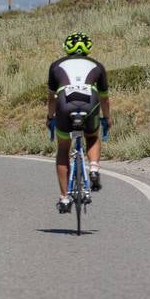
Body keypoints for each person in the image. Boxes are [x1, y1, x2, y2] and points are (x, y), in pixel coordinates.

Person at [48, 32, 112, 213]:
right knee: (92, 136)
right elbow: (105, 98)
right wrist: (107, 117)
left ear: (66, 48)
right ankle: (93, 168)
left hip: (64, 104)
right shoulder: (97, 66)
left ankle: (64, 198)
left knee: (63, 149)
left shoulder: (56, 65)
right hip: (90, 103)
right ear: (88, 48)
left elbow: (51, 98)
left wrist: (50, 116)